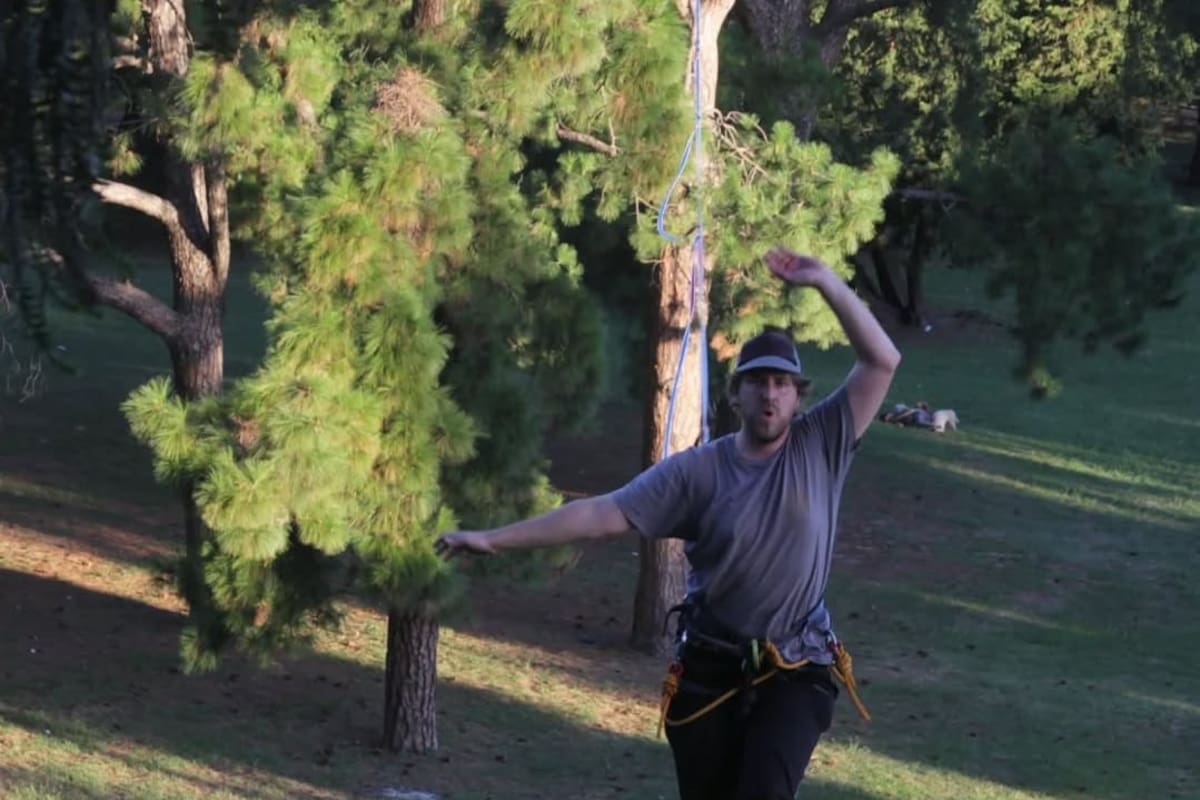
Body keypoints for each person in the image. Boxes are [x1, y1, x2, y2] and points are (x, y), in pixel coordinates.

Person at [435, 248, 901, 800]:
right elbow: (601, 513)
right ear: (737, 393)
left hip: (797, 665)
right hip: (710, 665)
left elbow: (882, 361)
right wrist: (493, 539)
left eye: (781, 383)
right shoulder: (698, 472)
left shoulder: (821, 443)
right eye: (757, 382)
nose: (770, 393)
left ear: (798, 395)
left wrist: (825, 281)